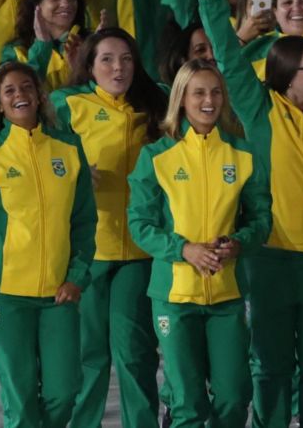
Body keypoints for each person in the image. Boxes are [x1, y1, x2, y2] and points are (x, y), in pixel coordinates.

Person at [195, 0, 303, 428]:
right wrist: (208, 0)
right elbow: (227, 58)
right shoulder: (260, 109)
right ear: (284, 73)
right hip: (270, 258)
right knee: (271, 365)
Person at [0, 62, 98, 428]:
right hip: (5, 295)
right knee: (21, 400)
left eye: (27, 87)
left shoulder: (68, 147)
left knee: (63, 393)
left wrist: (77, 276)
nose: (20, 95)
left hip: (58, 294)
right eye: (9, 91)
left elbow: (83, 222)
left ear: (39, 94)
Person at [127, 58, 273, 428]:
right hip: (175, 297)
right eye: (198, 93)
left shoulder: (244, 155)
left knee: (233, 397)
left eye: (215, 92)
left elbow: (260, 220)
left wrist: (238, 243)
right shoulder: (156, 156)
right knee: (188, 403)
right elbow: (139, 225)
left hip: (226, 295)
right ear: (181, 99)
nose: (208, 100)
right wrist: (184, 250)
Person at [53, 29, 170, 428]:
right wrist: (72, 171)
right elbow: (34, 147)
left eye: (126, 59)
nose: (117, 67)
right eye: (106, 59)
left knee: (135, 353)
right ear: (88, 65)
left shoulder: (154, 107)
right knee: (90, 355)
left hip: (138, 251)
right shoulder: (69, 105)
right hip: (88, 251)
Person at [3, 0, 89, 91]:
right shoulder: (15, 51)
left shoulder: (89, 43)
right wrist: (42, 47)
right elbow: (20, 93)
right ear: (37, 4)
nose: (65, 4)